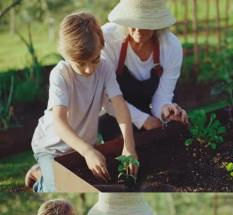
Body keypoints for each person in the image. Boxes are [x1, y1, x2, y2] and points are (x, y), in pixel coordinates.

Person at [26, 12, 138, 192]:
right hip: (52, 148)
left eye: (94, 60)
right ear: (65, 55)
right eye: (80, 63)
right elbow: (59, 123)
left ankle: (47, 173)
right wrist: (87, 152)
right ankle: (40, 175)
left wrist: (129, 146)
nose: (88, 69)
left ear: (101, 45)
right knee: (59, 189)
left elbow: (119, 105)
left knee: (96, 185)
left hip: (86, 144)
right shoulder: (61, 74)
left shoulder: (105, 68)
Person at [99, 0, 188, 140]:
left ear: (157, 22)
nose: (138, 29)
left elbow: (163, 96)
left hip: (148, 109)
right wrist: (144, 120)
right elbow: (105, 95)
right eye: (133, 20)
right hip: (114, 113)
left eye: (145, 22)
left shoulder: (171, 46)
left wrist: (165, 111)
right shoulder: (107, 39)